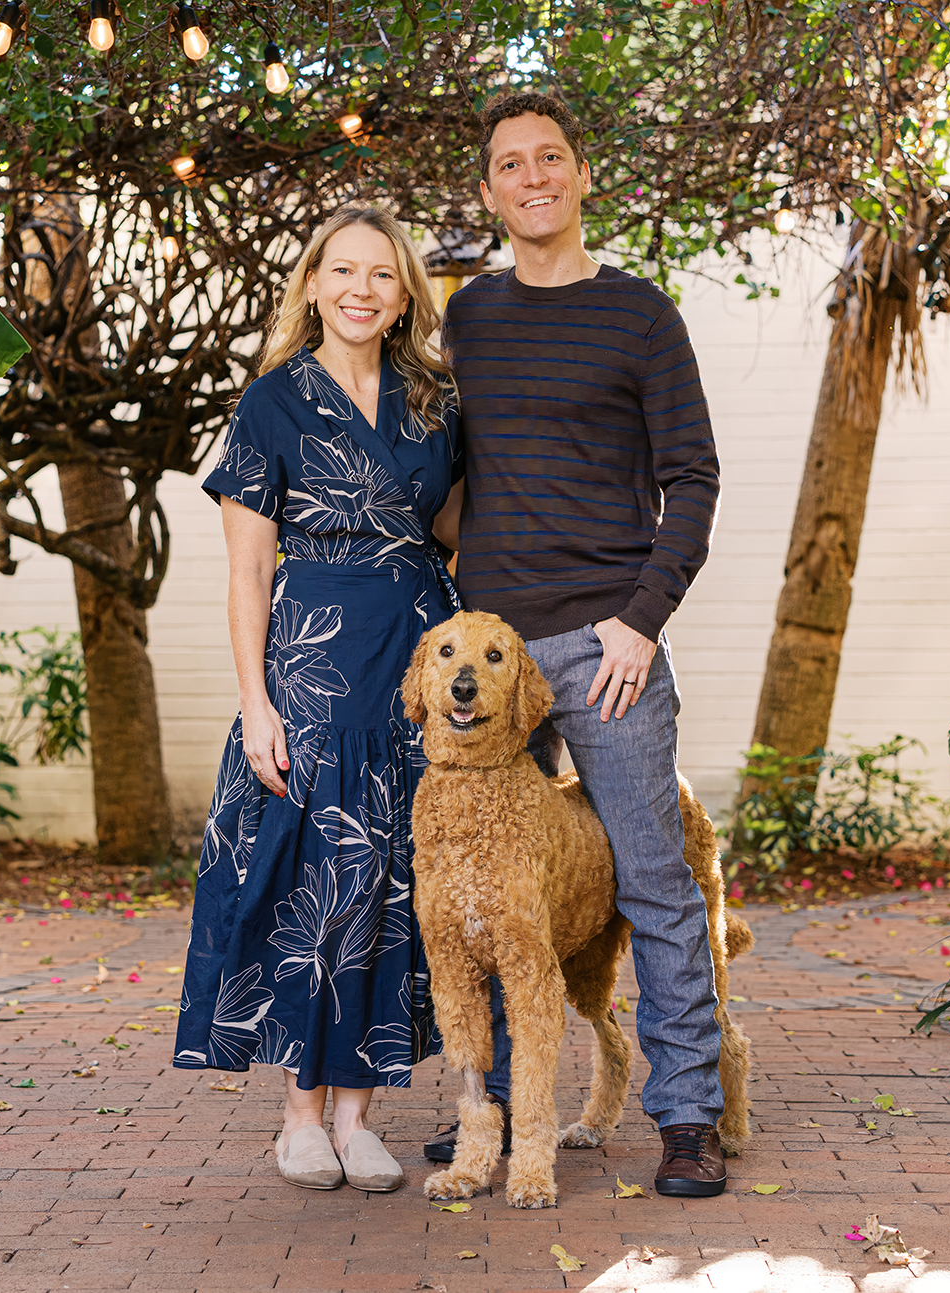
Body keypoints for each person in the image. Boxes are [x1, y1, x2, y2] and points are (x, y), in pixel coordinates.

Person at [426, 91, 727, 1196]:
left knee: (652, 885)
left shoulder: (640, 315)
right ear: (490, 191)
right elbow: (450, 474)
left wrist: (638, 622)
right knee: (505, 893)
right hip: (496, 663)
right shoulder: (469, 321)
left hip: (606, 655)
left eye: (549, 157)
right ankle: (497, 1111)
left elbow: (690, 478)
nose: (532, 177)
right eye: (510, 164)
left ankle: (685, 1116)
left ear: (580, 174)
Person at [174, 206, 463, 1195]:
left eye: (380, 276)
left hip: (415, 662)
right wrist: (255, 702)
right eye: (342, 271)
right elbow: (247, 573)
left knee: (393, 887)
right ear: (310, 284)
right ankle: (299, 1116)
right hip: (314, 665)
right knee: (317, 888)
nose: (360, 290)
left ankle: (356, 1115)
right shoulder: (270, 403)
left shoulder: (434, 401)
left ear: (401, 294)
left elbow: (455, 530)